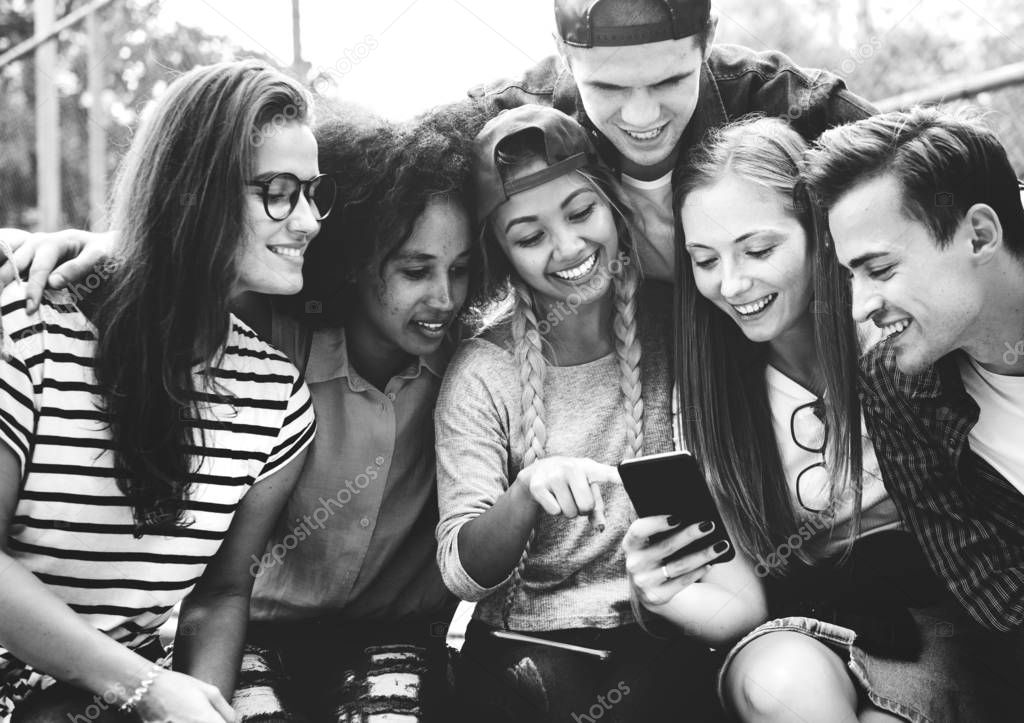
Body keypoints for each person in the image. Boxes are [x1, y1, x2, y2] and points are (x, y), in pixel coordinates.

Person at [0, 60, 322, 723]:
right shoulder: (28, 326)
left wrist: (194, 703)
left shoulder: (277, 397)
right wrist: (147, 689)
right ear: (192, 191)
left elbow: (221, 590)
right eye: (280, 191)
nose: (310, 220)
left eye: (314, 192)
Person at [434, 104, 763, 722]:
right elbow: (460, 569)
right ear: (503, 255)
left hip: (672, 627)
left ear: (613, 205)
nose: (568, 247)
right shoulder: (483, 370)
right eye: (530, 237)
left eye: (582, 213)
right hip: (529, 646)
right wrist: (527, 490)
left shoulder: (684, 325)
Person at [225, 101, 483, 723]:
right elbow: (180, 269)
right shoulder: (275, 344)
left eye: (461, 270)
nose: (443, 298)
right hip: (255, 628)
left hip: (395, 636)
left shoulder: (469, 367)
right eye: (415, 271)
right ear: (352, 263)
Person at [804, 106, 1024, 707]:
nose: (859, 306)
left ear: (979, 234)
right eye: (853, 275)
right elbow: (987, 584)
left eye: (880, 269)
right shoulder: (897, 384)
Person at [470, 0, 875, 281]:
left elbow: (928, 165)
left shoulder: (792, 104)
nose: (641, 116)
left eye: (670, 81)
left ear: (709, 37)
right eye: (608, 88)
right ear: (562, 52)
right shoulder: (502, 131)